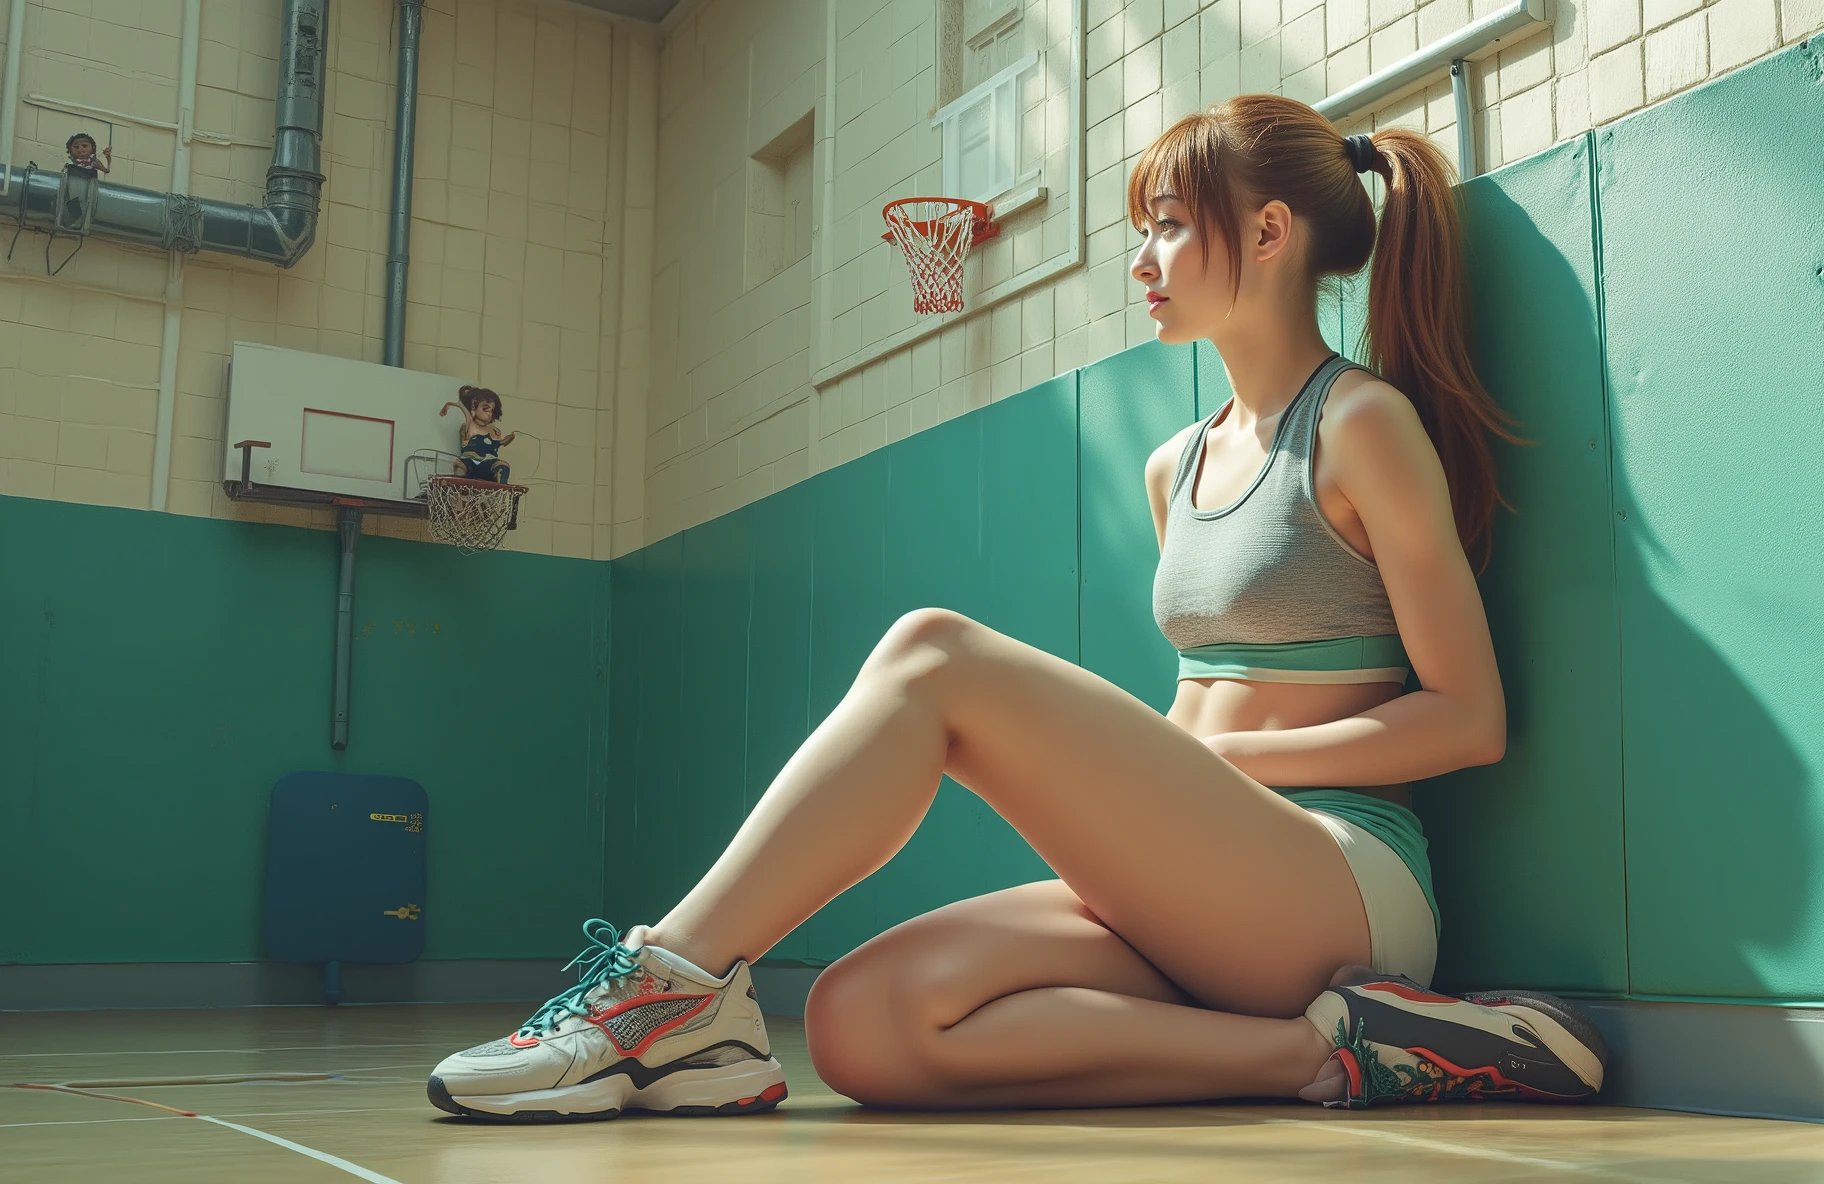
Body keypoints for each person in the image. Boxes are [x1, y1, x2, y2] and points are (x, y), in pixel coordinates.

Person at [424, 94, 1609, 1123]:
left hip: (1337, 873)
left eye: (1165, 226)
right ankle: (1347, 1044)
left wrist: (1230, 759)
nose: (1140, 258)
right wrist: (1188, 771)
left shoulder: (1358, 425)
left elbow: (1467, 718)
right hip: (1213, 886)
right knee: (862, 1020)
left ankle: (662, 986)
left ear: (1264, 231)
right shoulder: (1172, 465)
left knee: (932, 653)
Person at [439, 385, 515, 483]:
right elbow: (463, 408)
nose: (489, 413)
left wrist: (506, 440)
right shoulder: (468, 426)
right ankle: (459, 492)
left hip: (487, 463)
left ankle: (502, 489)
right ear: (473, 407)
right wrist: (449, 404)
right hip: (469, 462)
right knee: (459, 465)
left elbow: (497, 444)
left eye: (492, 410)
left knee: (503, 465)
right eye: (485, 409)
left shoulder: (494, 431)